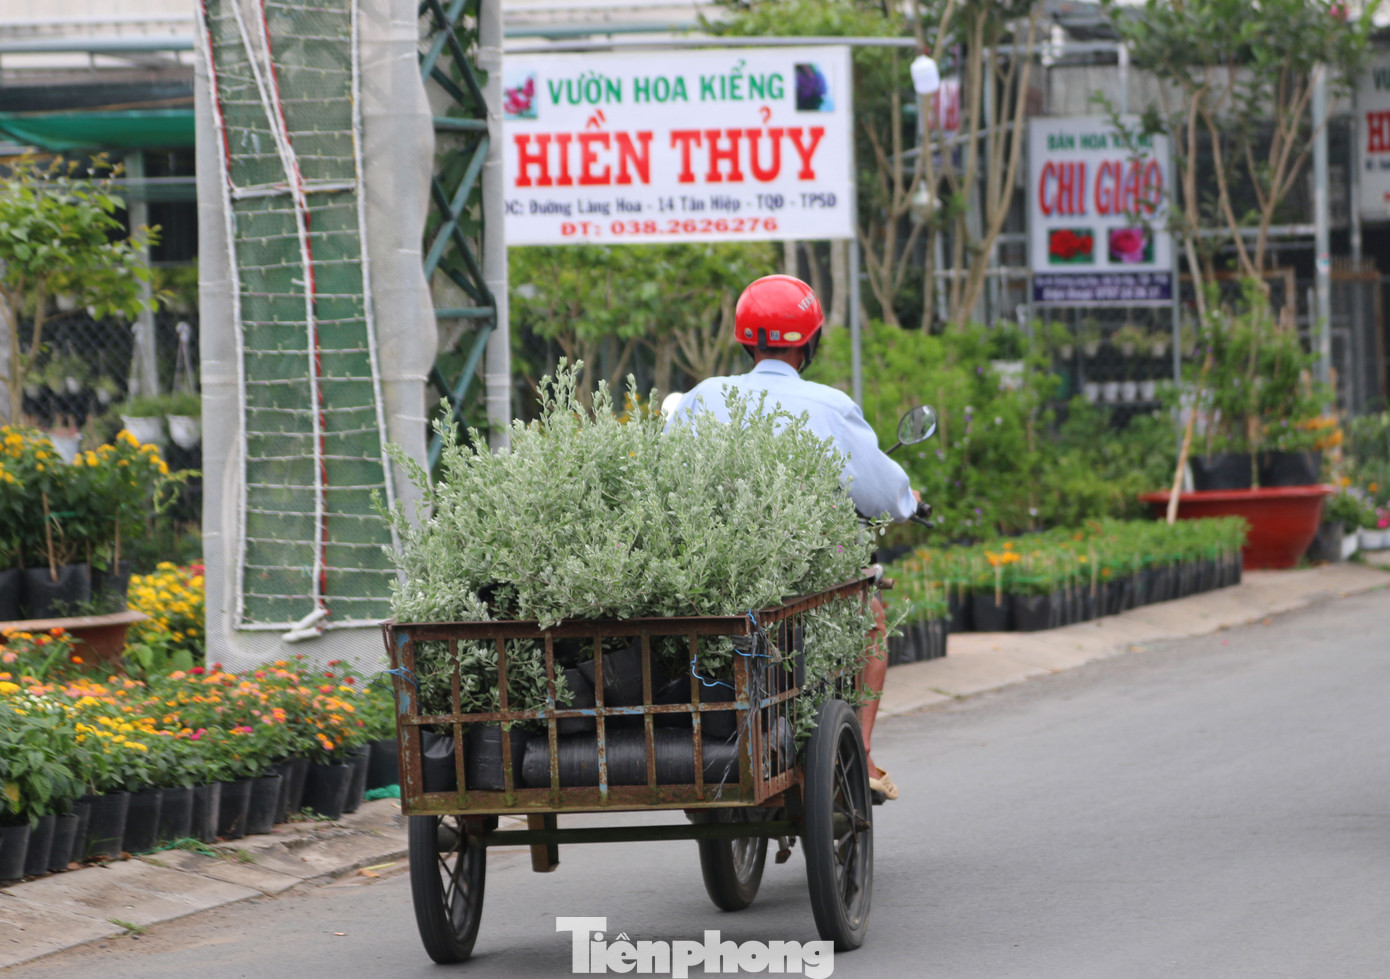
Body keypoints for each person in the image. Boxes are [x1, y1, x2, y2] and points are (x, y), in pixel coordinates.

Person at [668, 273, 918, 802]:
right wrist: (909, 503)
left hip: (713, 586)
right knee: (871, 619)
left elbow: (660, 478)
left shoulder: (701, 398)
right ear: (811, 342)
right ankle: (864, 757)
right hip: (807, 586)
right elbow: (884, 494)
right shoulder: (830, 407)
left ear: (743, 339)